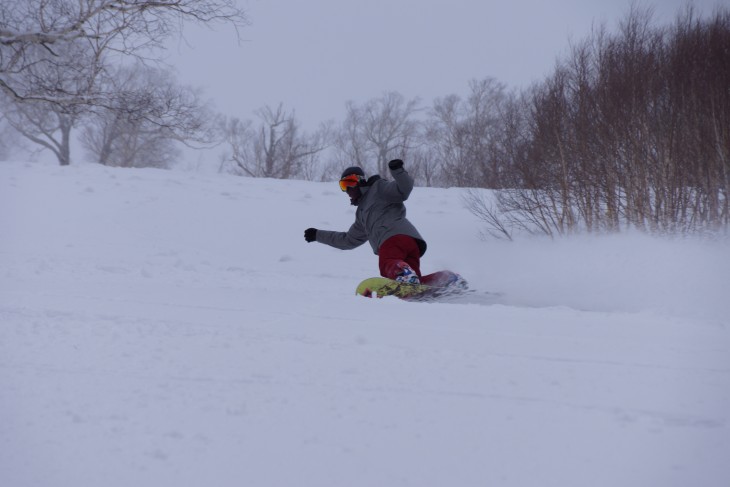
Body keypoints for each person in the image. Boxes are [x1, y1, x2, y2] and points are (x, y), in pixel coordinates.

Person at [304, 159, 462, 287]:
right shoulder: (361, 215)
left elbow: (404, 189)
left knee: (387, 264)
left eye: (350, 182)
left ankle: (403, 273)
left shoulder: (378, 188)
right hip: (411, 244)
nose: (348, 189)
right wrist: (318, 235)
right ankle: (445, 279)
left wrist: (397, 170)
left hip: (394, 239)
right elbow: (348, 240)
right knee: (414, 284)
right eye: (343, 186)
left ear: (360, 181)